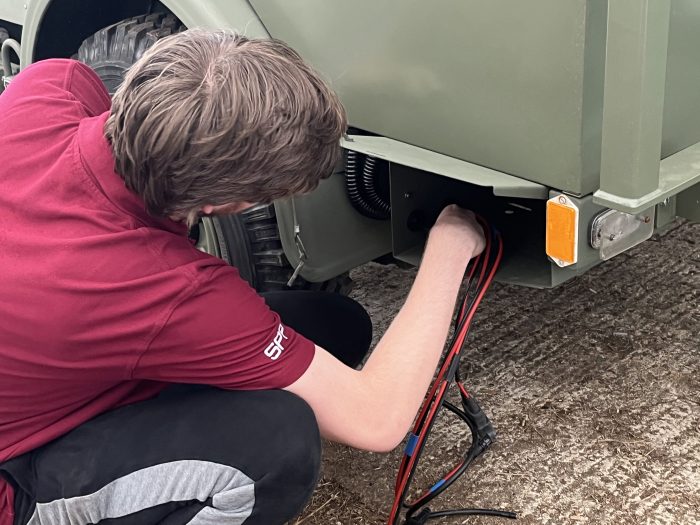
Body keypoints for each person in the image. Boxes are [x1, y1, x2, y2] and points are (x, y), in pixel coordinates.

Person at [0, 29, 484, 525]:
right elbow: (377, 420)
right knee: (276, 446)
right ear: (215, 206)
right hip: (14, 471)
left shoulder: (51, 87)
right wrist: (450, 248)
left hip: (44, 370)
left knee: (336, 326)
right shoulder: (166, 290)